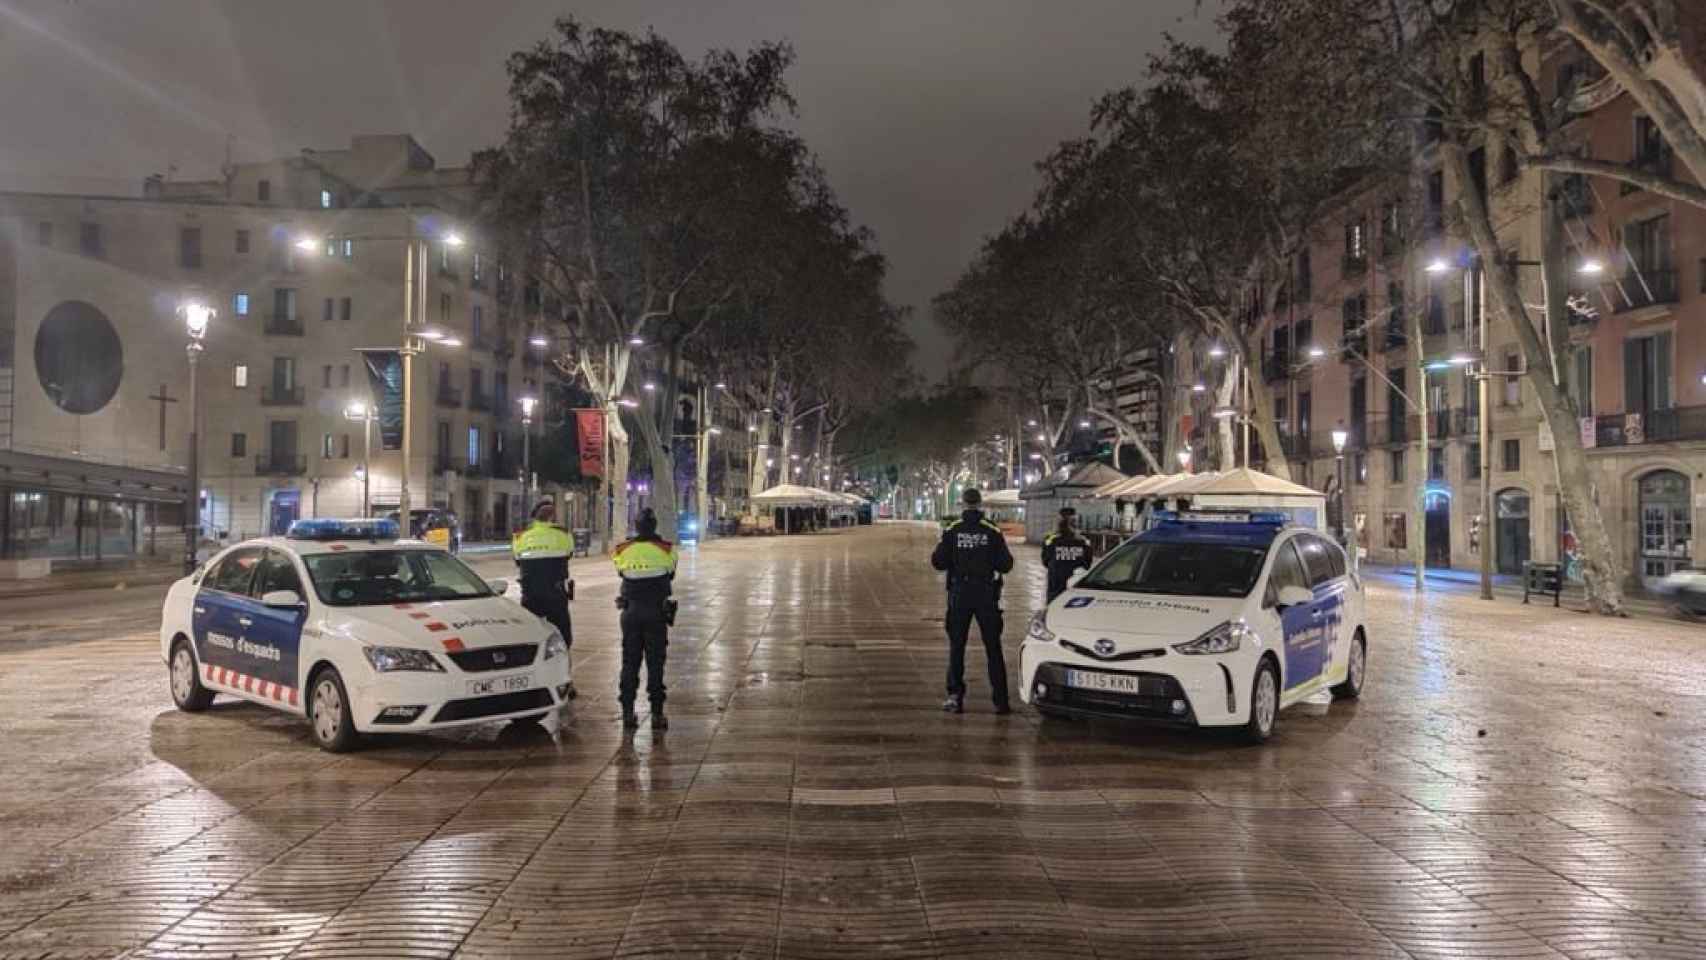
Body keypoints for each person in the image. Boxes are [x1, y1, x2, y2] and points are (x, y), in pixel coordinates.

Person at [930, 487, 1015, 714]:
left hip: (960, 593)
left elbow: (938, 561)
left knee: (957, 646)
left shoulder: (953, 530)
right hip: (986, 593)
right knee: (993, 647)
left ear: (962, 504)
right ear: (980, 504)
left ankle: (955, 696)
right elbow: (1006, 564)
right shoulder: (992, 530)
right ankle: (1001, 700)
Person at [613, 508, 678, 730]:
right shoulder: (666, 550)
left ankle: (628, 712)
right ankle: (657, 714)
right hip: (656, 613)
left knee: (630, 662)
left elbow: (620, 572)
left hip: (630, 613)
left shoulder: (622, 550)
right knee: (655, 663)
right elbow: (671, 572)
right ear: (655, 525)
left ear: (636, 525)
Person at [512, 499, 576, 699]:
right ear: (552, 517)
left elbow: (517, 560)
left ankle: (530, 684)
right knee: (563, 640)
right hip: (556, 596)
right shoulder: (563, 535)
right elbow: (569, 553)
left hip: (531, 597)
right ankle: (565, 682)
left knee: (530, 641)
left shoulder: (520, 537)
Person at [1042, 509, 1095, 603]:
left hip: (1055, 586)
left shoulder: (1050, 540)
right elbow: (1088, 563)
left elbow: (1045, 561)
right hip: (1077, 587)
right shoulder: (1084, 541)